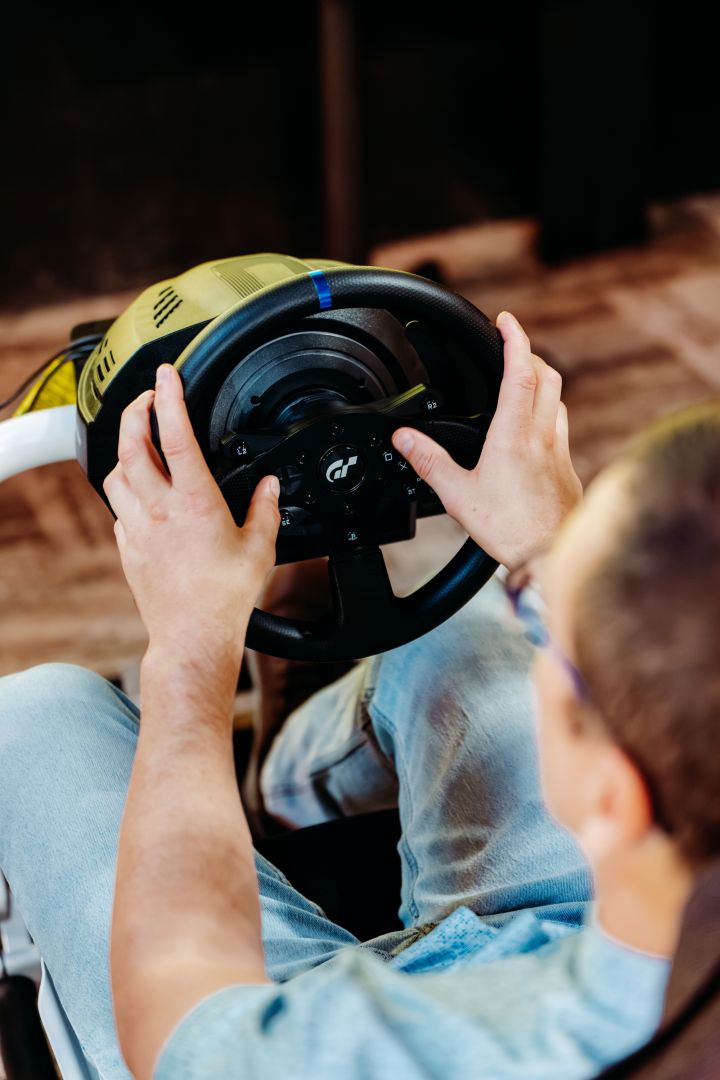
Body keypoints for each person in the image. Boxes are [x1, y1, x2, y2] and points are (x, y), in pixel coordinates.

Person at [0, 310, 710, 1080]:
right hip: (606, 936)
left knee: (37, 714)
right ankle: (284, 777)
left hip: (289, 1034)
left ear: (613, 797)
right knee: (470, 632)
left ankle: (273, 778)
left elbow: (183, 1022)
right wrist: (548, 546)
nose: (540, 614)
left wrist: (192, 646)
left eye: (565, 655)